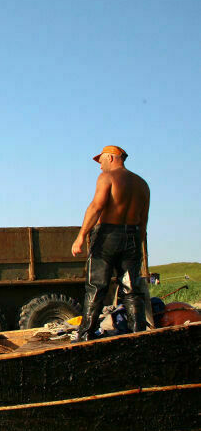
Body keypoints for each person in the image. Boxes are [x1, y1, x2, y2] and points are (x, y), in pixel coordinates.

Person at [71, 146, 150, 341]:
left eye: (101, 161)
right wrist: (136, 244)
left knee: (96, 286)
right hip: (132, 234)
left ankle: (85, 336)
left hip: (108, 234)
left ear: (112, 158)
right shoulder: (142, 184)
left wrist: (81, 236)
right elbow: (143, 220)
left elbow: (96, 207)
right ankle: (138, 334)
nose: (100, 167)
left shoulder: (107, 178)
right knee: (131, 288)